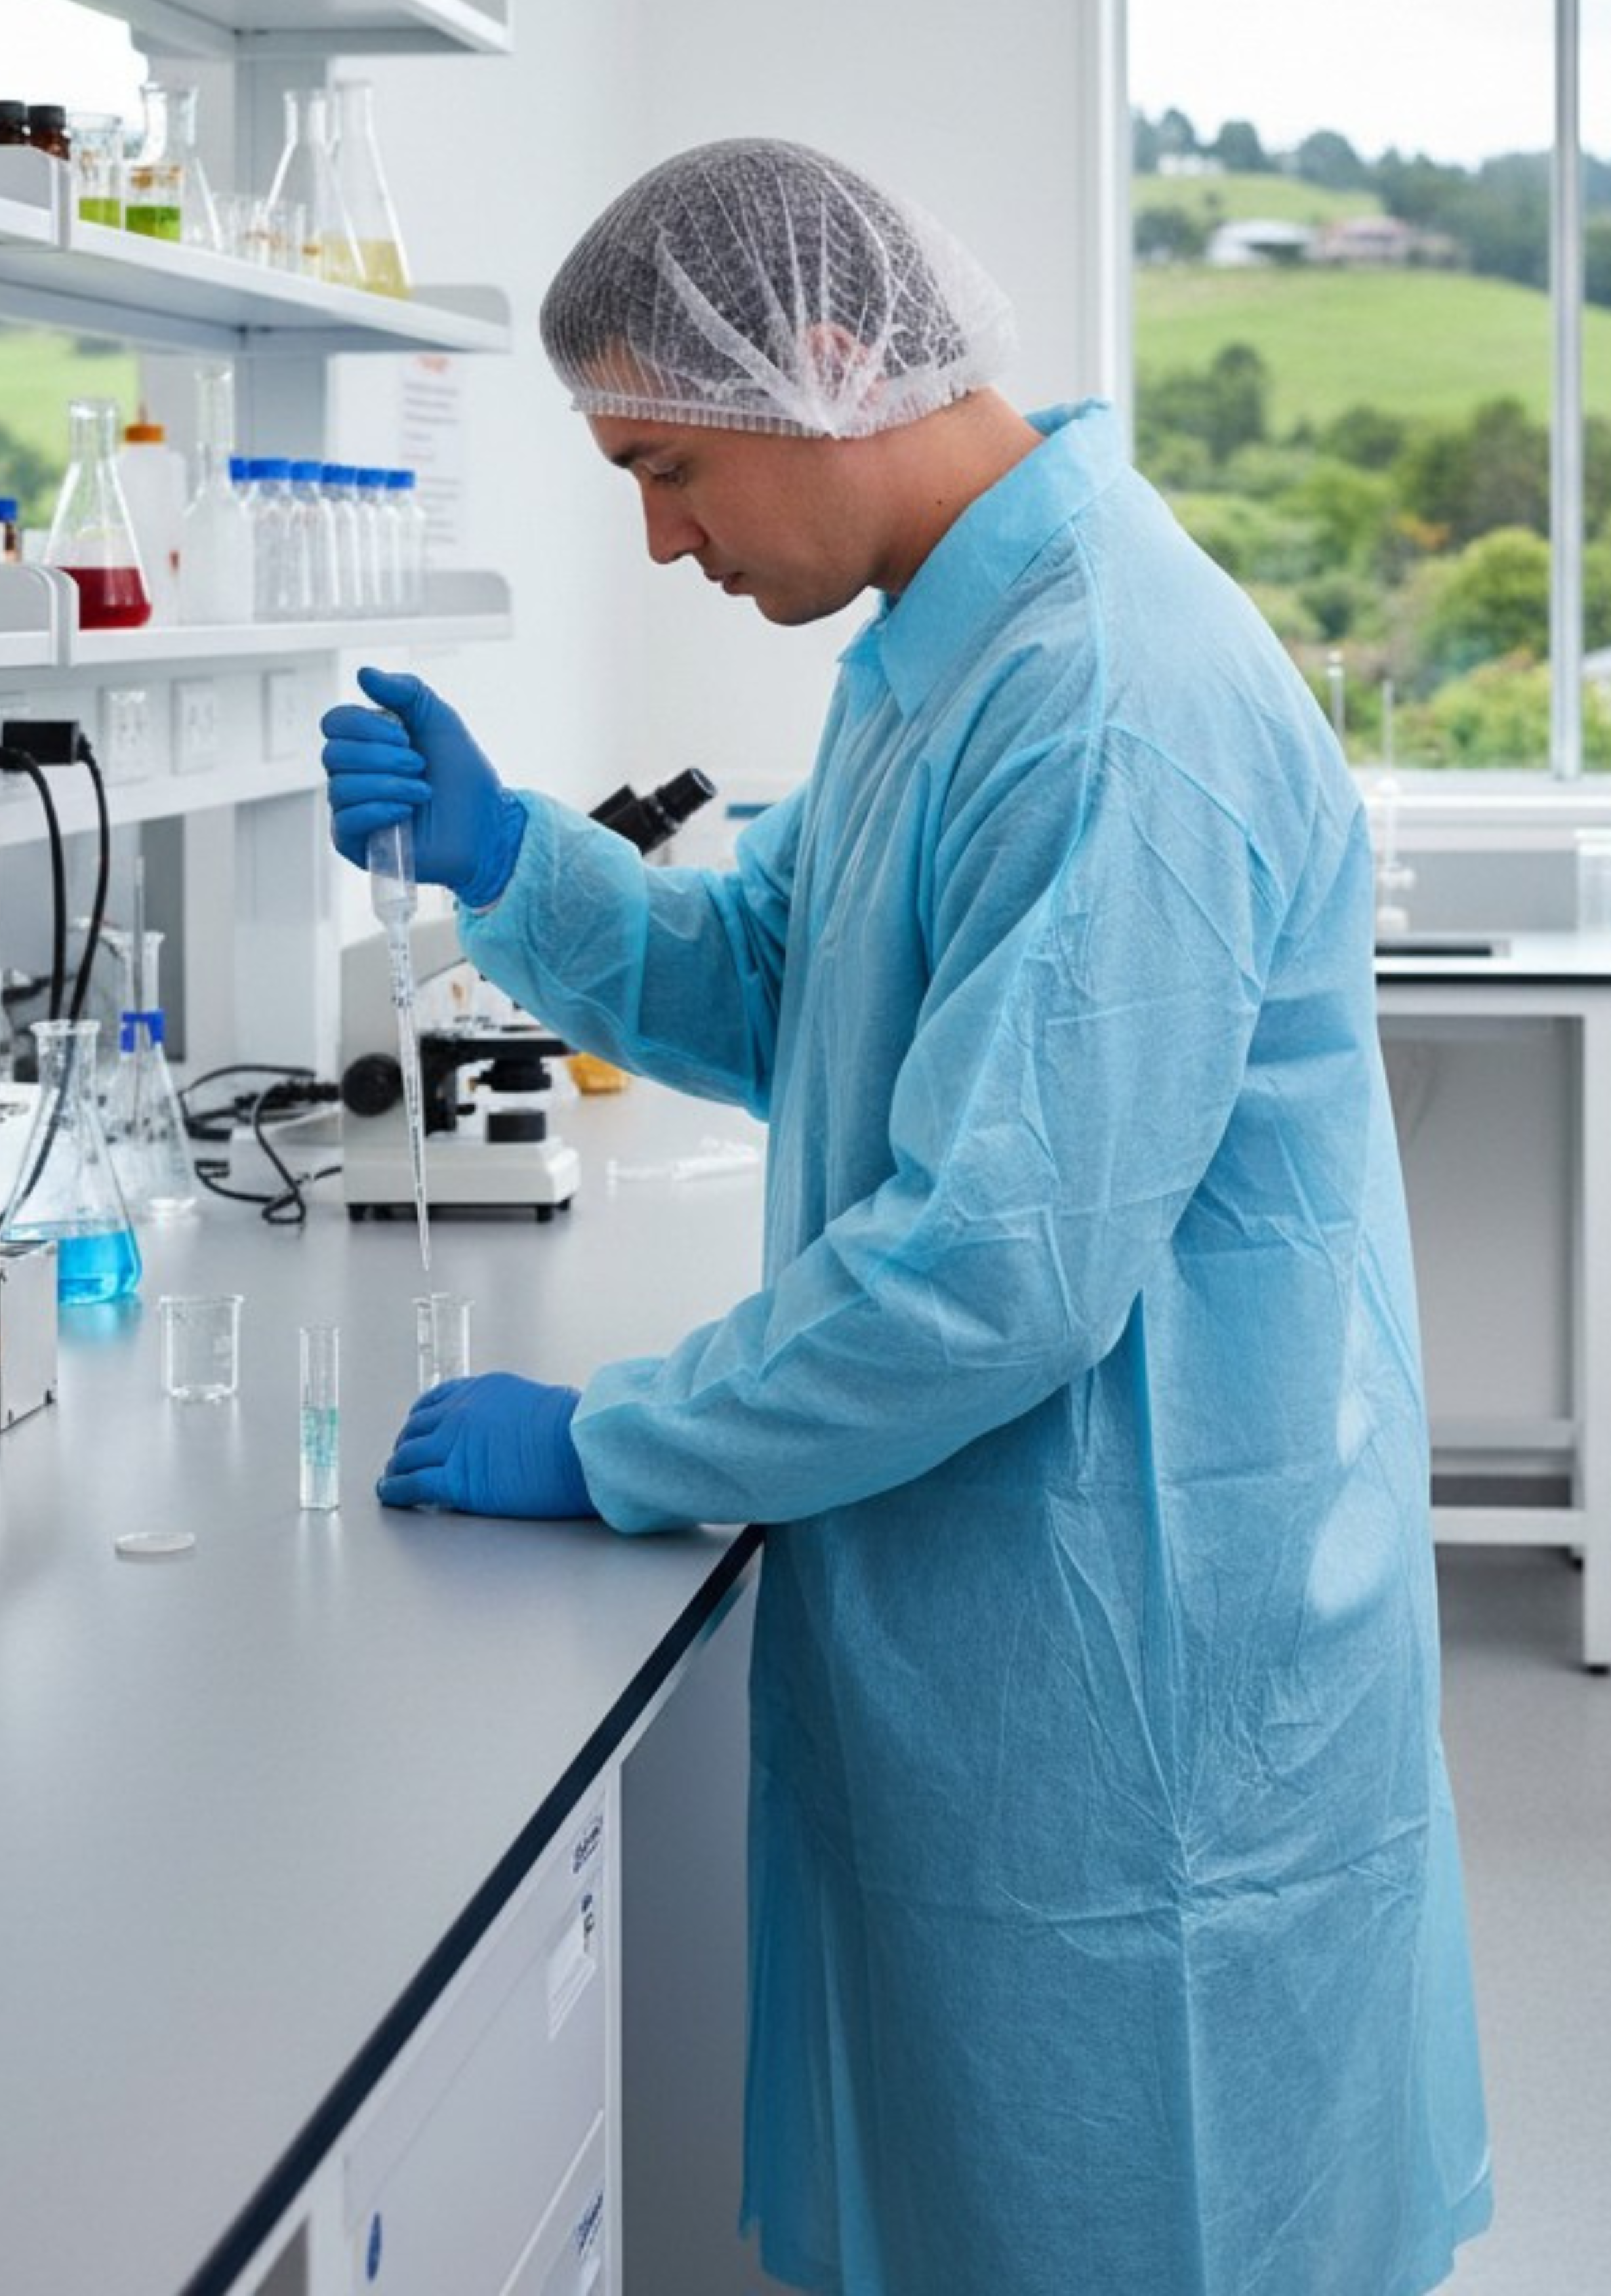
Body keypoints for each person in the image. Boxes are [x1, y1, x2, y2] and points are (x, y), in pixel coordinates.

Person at [319, 138, 1490, 2296]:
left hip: (1145, 1640)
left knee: (1144, 2204)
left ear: (832, 361)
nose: (659, 539)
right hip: (1004, 1590)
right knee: (995, 2199)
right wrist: (511, 861)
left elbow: (994, 1259)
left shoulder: (1104, 693)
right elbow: (787, 982)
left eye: (668, 467)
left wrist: (610, 1438)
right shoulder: (942, 653)